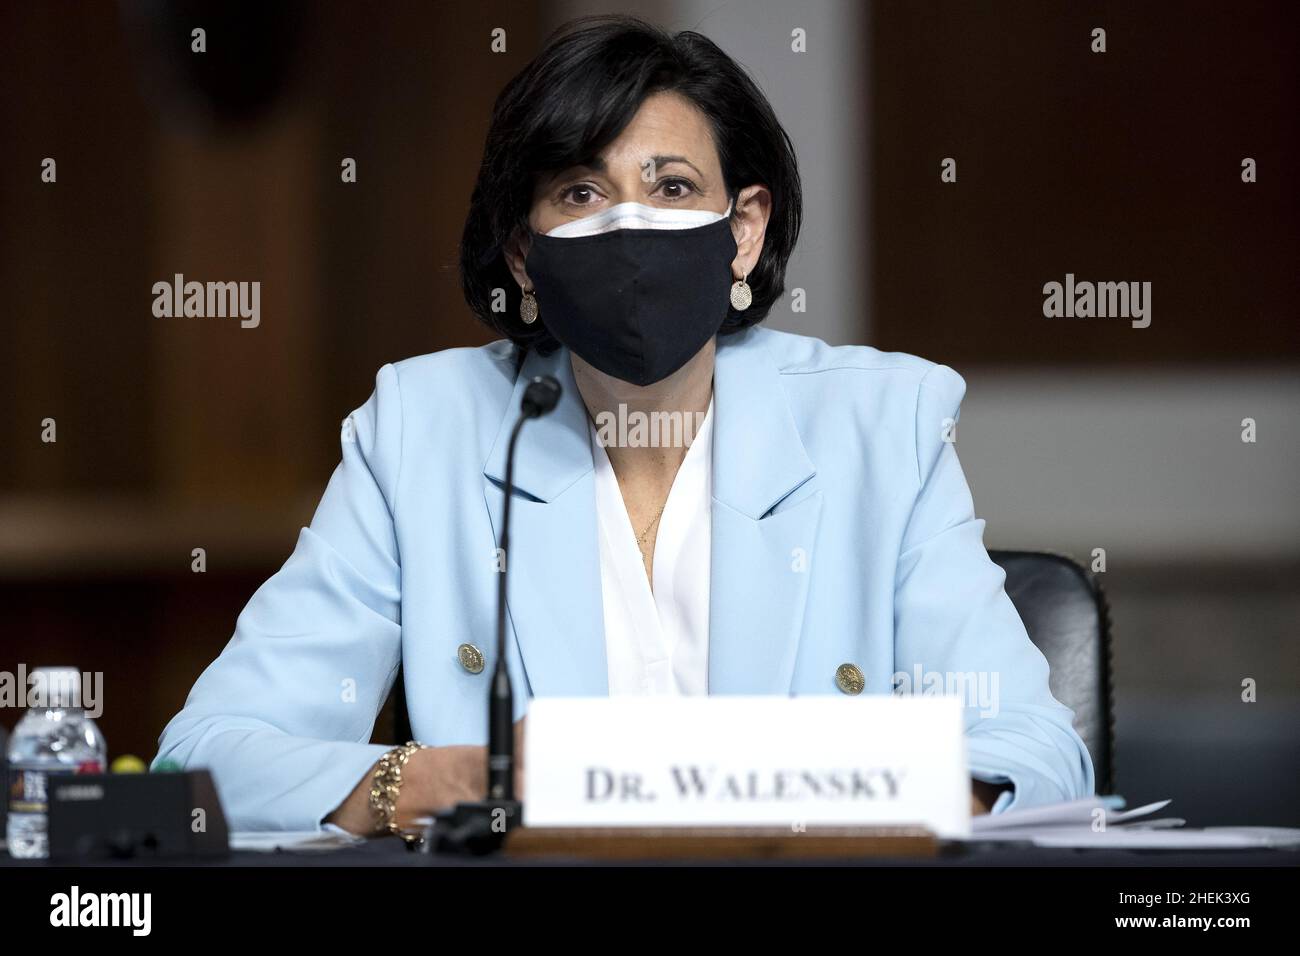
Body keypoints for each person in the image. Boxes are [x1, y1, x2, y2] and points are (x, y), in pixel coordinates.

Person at [154, 14, 1094, 836]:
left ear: (746, 229)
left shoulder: (882, 424)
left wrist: (833, 794)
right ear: (524, 255)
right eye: (581, 193)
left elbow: (1035, 752)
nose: (629, 227)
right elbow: (205, 760)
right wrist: (439, 780)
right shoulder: (420, 433)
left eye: (674, 187)